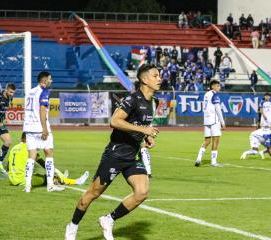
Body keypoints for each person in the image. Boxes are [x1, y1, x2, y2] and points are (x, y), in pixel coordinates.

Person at [64, 64, 160, 240]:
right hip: (115, 155)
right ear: (144, 79)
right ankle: (72, 226)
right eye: (155, 76)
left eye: (159, 75)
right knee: (92, 194)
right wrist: (144, 130)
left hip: (133, 155)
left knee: (142, 192)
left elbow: (138, 125)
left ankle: (108, 219)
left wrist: (146, 136)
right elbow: (115, 121)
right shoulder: (132, 99)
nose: (159, 79)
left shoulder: (154, 101)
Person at [23, 71, 63, 193]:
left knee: (32, 155)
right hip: (39, 127)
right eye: (50, 79)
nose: (51, 81)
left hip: (29, 127)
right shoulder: (44, 91)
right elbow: (42, 110)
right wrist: (44, 128)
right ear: (44, 80)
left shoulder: (30, 91)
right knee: (49, 152)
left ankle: (27, 186)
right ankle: (50, 185)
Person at [8, 132, 89, 187]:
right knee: (49, 178)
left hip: (12, 180)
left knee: (39, 175)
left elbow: (9, 166)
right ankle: (76, 181)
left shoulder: (14, 148)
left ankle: (60, 177)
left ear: (21, 139)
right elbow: (43, 164)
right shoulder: (30, 148)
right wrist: (56, 171)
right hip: (23, 180)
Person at [194, 80, 226, 167]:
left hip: (206, 120)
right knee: (216, 140)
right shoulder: (215, 95)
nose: (219, 87)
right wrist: (222, 122)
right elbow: (218, 109)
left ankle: (198, 159)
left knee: (207, 140)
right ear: (213, 86)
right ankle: (214, 162)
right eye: (218, 86)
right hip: (214, 120)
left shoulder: (206, 94)